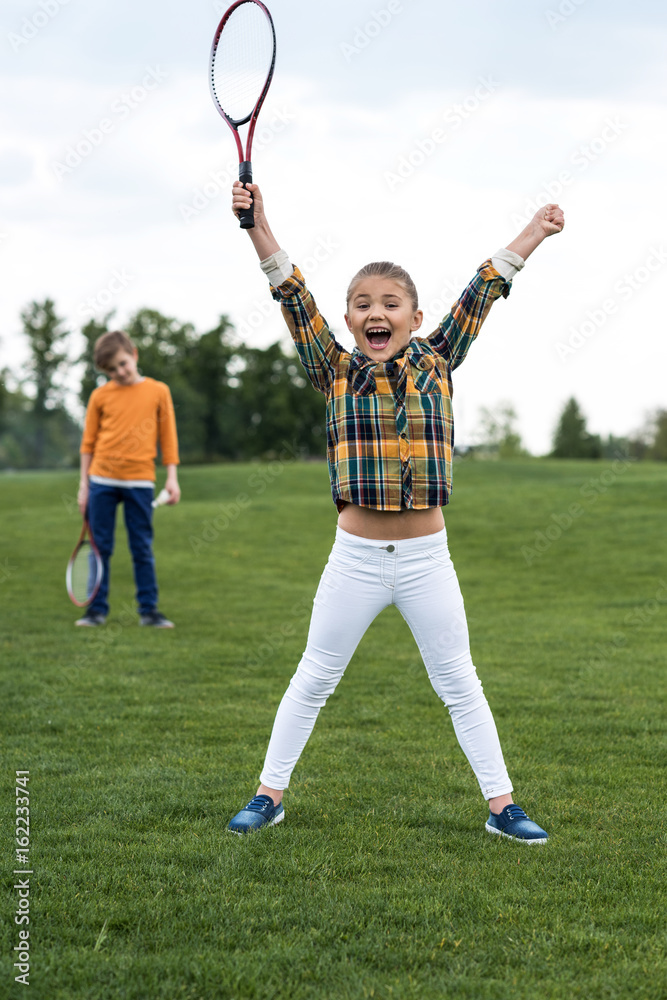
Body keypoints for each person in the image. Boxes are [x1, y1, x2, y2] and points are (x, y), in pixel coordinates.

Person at [228, 181, 564, 842]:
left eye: (388, 304)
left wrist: (534, 230)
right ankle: (269, 795)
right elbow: (290, 292)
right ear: (350, 322)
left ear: (412, 317)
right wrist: (255, 223)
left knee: (459, 682)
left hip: (425, 561)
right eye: (360, 305)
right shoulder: (333, 370)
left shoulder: (438, 360)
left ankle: (502, 807)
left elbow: (484, 288)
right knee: (313, 678)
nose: (372, 312)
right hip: (353, 560)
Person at [75, 330, 181, 628]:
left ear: (133, 354)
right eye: (111, 370)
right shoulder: (100, 395)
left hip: (140, 482)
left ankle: (149, 611)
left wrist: (172, 478)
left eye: (122, 364)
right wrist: (84, 485)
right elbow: (88, 443)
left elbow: (168, 438)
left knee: (141, 548)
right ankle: (96, 611)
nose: (119, 372)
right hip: (102, 482)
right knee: (100, 547)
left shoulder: (159, 391)